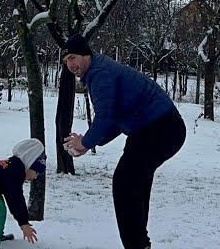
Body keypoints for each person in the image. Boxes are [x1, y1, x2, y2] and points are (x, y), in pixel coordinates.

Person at [61, 34, 185, 249]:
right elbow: (116, 119)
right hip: (154, 130)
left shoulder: (99, 74)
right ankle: (140, 244)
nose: (71, 64)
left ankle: (137, 245)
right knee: (134, 183)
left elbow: (106, 117)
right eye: (66, 61)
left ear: (86, 55)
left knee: (125, 182)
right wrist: (89, 143)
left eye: (73, 57)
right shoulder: (101, 70)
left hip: (160, 128)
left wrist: (86, 143)